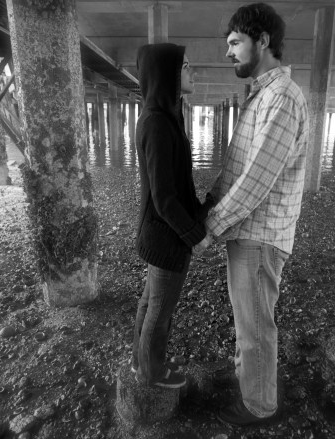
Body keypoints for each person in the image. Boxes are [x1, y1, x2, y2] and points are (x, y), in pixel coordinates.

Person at [197, 2, 309, 426]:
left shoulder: (281, 98)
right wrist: (208, 203)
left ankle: (259, 405)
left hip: (261, 234)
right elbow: (237, 169)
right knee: (249, 319)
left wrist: (209, 228)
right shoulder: (263, 94)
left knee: (256, 324)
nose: (228, 51)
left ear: (262, 41)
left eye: (234, 42)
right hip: (252, 230)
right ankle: (250, 379)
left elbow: (256, 181)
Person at [131, 43, 212, 388]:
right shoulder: (158, 124)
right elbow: (164, 198)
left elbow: (175, 185)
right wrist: (196, 235)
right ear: (167, 74)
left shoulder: (165, 117)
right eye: (186, 66)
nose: (193, 72)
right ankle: (151, 373)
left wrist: (201, 207)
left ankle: (140, 362)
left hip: (158, 230)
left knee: (150, 301)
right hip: (166, 235)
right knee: (160, 310)